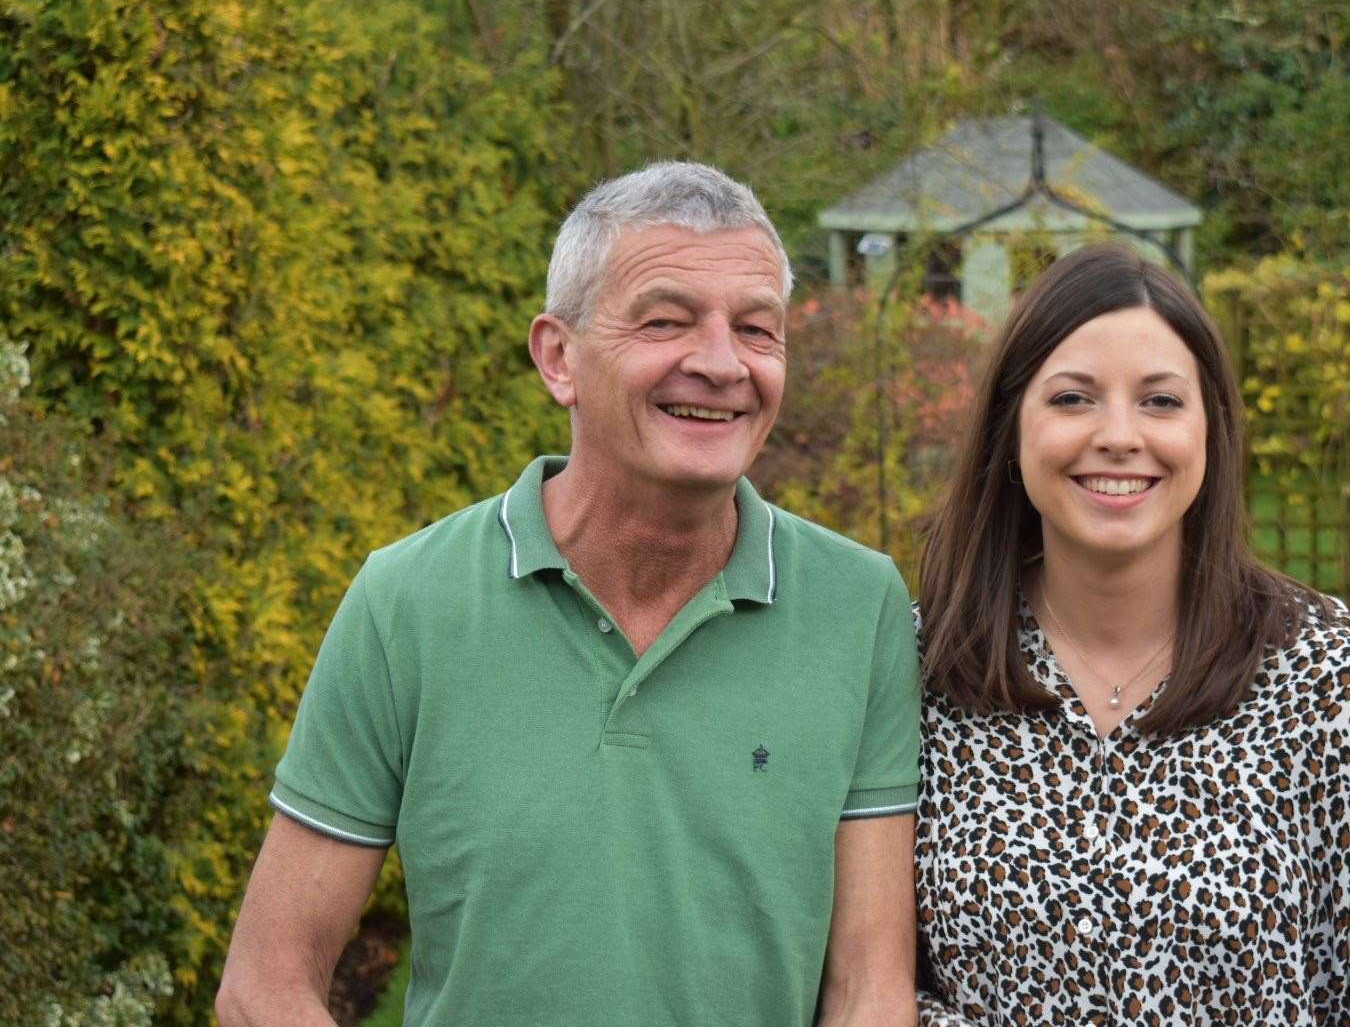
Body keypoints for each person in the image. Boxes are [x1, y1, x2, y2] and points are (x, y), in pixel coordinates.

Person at [216, 162, 922, 1027]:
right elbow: (265, 985)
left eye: (756, 329)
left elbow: (869, 991)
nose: (720, 363)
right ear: (559, 357)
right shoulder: (407, 602)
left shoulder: (861, 607)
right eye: (666, 321)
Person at [913, 244, 1350, 1025]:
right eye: (1074, 399)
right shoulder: (922, 675)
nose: (1119, 435)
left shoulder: (1328, 682)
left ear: (1210, 432)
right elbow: (861, 982)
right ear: (1011, 430)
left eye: (1159, 401)